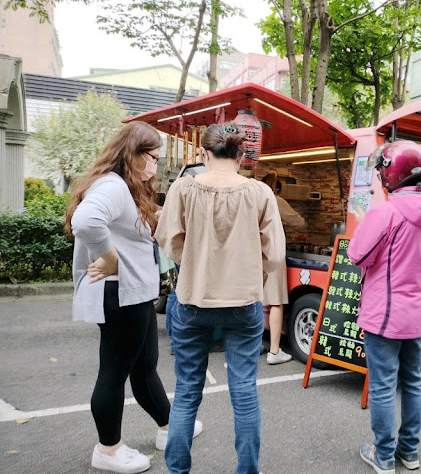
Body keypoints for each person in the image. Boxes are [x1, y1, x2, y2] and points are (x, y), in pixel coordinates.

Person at [66, 121, 202, 474]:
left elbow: (128, 227)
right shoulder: (112, 186)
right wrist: (110, 259)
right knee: (114, 372)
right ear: (132, 154)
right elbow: (86, 221)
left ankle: (168, 426)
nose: (155, 166)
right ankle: (108, 450)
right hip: (119, 293)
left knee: (143, 367)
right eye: (152, 158)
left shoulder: (124, 188)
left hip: (134, 293)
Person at [155, 123, 285, 474]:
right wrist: (250, 273)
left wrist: (195, 261)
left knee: (186, 392)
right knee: (244, 391)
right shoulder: (260, 193)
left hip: (193, 301)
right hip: (244, 303)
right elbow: (274, 254)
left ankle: (178, 469)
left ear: (204, 153)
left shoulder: (183, 188)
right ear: (242, 155)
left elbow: (167, 241)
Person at [346, 140, 421, 474]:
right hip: (418, 315)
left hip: (384, 317)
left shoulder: (385, 212)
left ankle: (384, 455)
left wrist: (364, 223)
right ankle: (410, 451)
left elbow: (357, 255)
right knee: (413, 382)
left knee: (384, 385)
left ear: (391, 173)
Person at [260, 171, 305, 365]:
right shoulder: (276, 200)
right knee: (276, 301)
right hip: (272, 253)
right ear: (277, 188)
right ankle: (275, 351)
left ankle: (254, 343)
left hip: (253, 253)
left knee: (256, 300)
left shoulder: (254, 199)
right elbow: (299, 222)